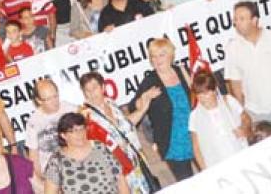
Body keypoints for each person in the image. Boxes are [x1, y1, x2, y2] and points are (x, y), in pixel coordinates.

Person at [224, 1, 271, 121]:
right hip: (253, 112)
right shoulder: (232, 48)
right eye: (235, 19)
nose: (236, 23)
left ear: (254, 20)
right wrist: (241, 113)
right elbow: (235, 83)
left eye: (241, 19)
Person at [80, 72, 157, 192]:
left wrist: (144, 107)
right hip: (119, 170)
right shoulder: (87, 117)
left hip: (135, 161)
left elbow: (126, 125)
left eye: (94, 87)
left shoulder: (110, 103)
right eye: (87, 90)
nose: (92, 93)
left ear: (103, 87)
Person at [131, 38, 194, 181]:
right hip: (173, 141)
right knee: (188, 182)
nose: (157, 60)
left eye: (161, 55)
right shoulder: (150, 80)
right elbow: (133, 106)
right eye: (153, 56)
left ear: (170, 55)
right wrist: (145, 97)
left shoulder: (182, 71)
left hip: (194, 132)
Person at [44, 112, 129, 194]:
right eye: (74, 131)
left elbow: (120, 180)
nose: (79, 134)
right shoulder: (56, 161)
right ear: (63, 135)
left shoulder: (100, 148)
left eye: (82, 129)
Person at [189, 71, 250, 169]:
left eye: (206, 94)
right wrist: (205, 170)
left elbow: (246, 118)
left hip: (239, 153)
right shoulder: (194, 116)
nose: (203, 99)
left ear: (214, 90)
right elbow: (196, 147)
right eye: (199, 95)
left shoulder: (228, 101)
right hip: (215, 162)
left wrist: (244, 128)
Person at [25, 79, 78, 183]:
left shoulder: (71, 109)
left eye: (55, 96)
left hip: (75, 166)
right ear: (39, 101)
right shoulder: (33, 122)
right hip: (51, 173)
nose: (55, 101)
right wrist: (42, 180)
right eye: (49, 99)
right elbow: (33, 156)